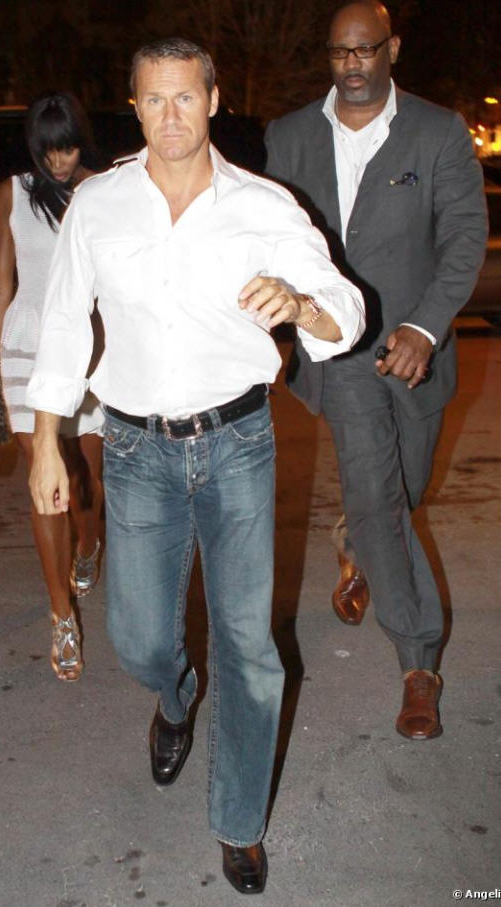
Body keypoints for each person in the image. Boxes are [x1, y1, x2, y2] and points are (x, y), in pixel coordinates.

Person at [26, 38, 364, 894]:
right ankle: (174, 695)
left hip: (238, 443)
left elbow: (346, 307)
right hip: (134, 448)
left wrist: (300, 305)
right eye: (154, 99)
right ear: (133, 107)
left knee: (250, 646)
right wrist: (45, 440)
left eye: (185, 97)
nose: (170, 115)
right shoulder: (98, 204)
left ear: (212, 100)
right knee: (138, 638)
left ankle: (238, 822)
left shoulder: (263, 206)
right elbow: (63, 321)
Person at [265, 1, 488, 739]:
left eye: (364, 50)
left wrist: (424, 325)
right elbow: (272, 236)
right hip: (341, 351)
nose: (351, 65)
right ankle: (418, 663)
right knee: (376, 495)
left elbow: (463, 236)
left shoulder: (437, 131)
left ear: (392, 48)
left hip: (415, 346)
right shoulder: (290, 137)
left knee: (402, 491)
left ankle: (359, 543)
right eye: (339, 53)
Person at [0, 92, 105, 683]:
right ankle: (61, 615)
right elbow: (0, 282)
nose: (59, 162)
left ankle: (88, 545)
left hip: (91, 347)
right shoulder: (13, 194)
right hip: (28, 342)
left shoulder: (102, 189)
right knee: (48, 484)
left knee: (88, 481)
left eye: (67, 148)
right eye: (48, 151)